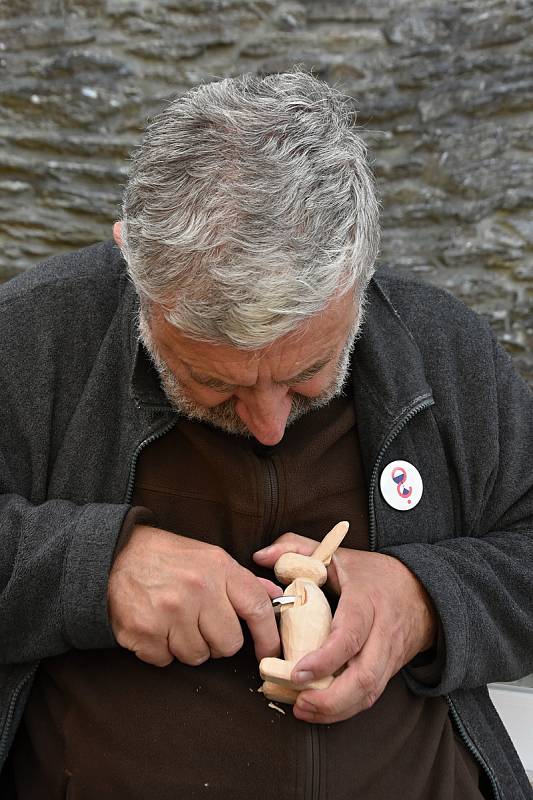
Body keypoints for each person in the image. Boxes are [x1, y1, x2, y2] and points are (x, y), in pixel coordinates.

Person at [0, 70, 532, 800]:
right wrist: (95, 571)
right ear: (135, 268)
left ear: (358, 269)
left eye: (307, 372)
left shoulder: (445, 349)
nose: (268, 423)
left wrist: (424, 601)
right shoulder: (32, 339)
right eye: (214, 381)